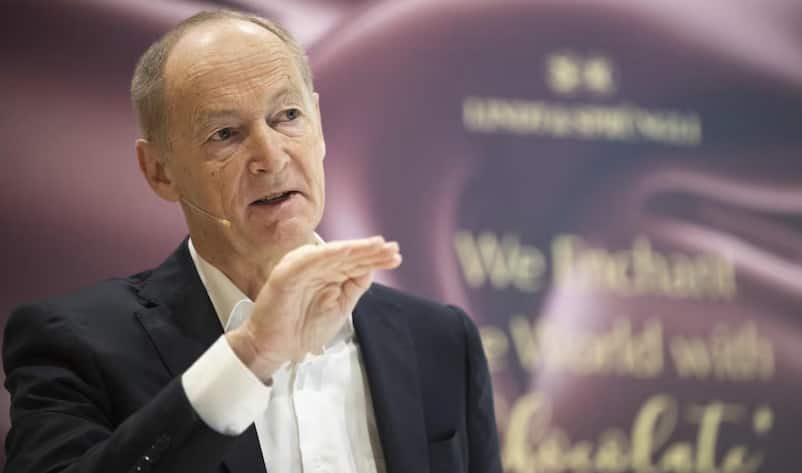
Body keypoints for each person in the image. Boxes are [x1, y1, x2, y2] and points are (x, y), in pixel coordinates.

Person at [2, 9, 501, 473]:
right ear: (159, 171)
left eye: (288, 116)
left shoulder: (439, 339)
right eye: (225, 133)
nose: (271, 156)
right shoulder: (75, 343)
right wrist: (249, 356)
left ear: (319, 125)